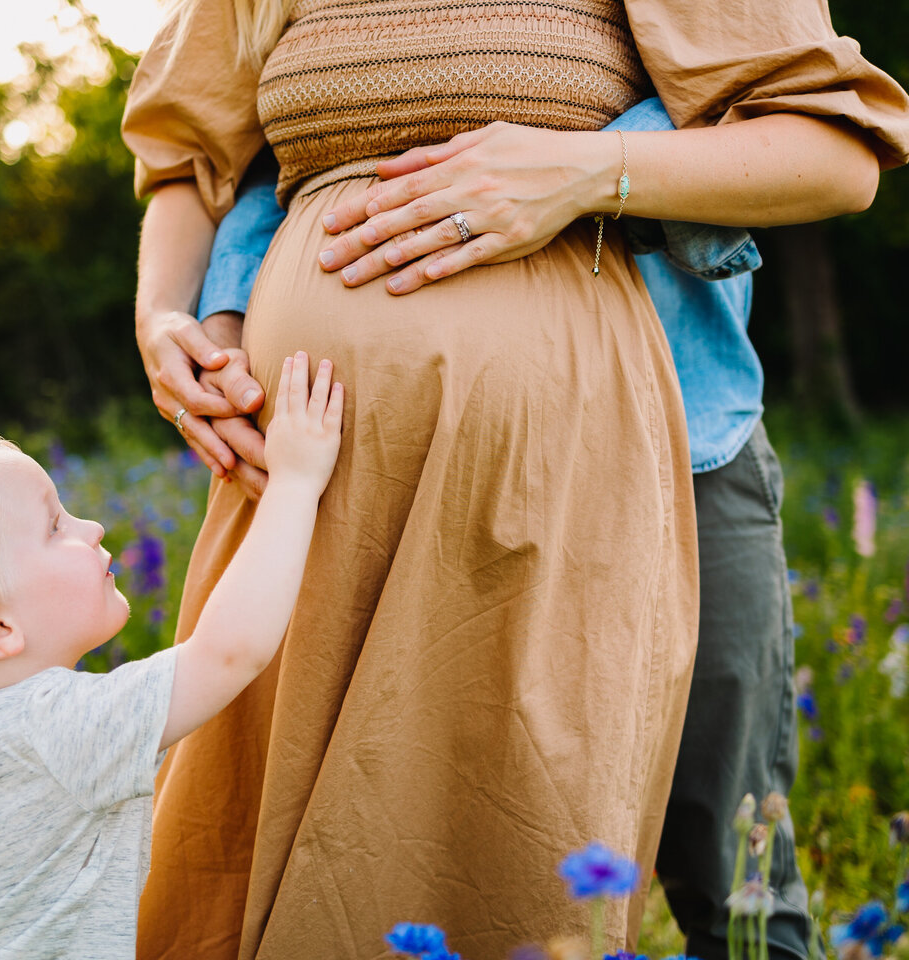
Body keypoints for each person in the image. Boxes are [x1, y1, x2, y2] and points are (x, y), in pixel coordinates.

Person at [122, 2, 909, 957]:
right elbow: (201, 163)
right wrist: (166, 314)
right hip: (329, 490)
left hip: (670, 457)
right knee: (308, 846)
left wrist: (581, 170)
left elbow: (838, 151)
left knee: (726, 876)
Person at [0, 353, 343, 960]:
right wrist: (295, 482)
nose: (94, 526)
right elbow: (229, 654)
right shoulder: (55, 729)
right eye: (55, 526)